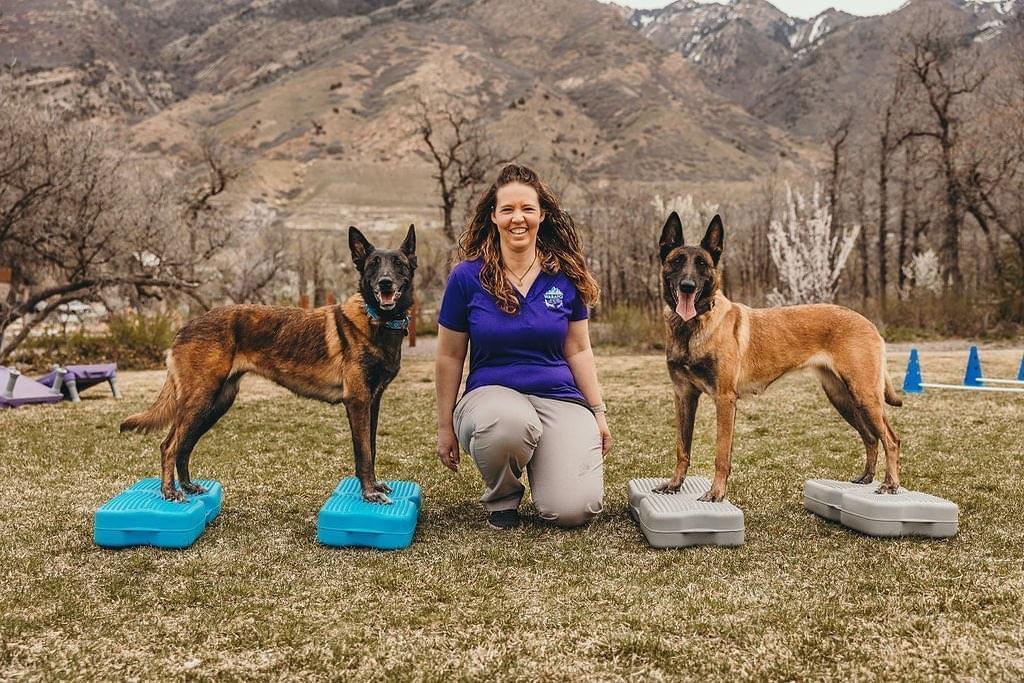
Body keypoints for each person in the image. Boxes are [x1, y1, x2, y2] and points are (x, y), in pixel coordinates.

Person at [435, 163, 612, 530]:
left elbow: (578, 349)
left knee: (574, 510)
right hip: (492, 399)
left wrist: (597, 411)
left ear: (542, 215)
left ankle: (549, 461)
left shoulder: (565, 274)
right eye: (508, 209)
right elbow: (449, 355)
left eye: (528, 209)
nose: (519, 218)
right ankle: (503, 497)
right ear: (494, 216)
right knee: (510, 422)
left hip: (558, 397)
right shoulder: (467, 276)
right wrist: (444, 427)